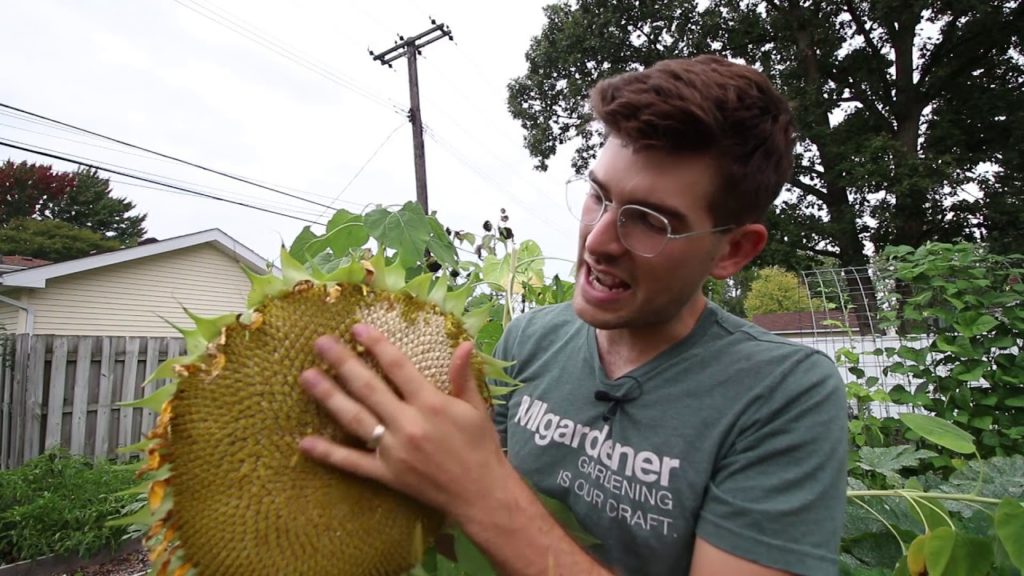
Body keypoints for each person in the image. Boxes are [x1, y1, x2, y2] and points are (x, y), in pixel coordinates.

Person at [296, 55, 848, 576]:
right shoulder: (531, 339)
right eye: (598, 196)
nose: (599, 241)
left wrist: (481, 493)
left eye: (651, 221)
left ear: (732, 251)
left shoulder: (781, 394)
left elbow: (481, 492)